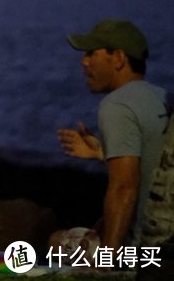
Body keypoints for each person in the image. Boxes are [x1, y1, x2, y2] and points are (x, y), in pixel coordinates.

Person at [55, 18, 169, 251]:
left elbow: (124, 189)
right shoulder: (162, 97)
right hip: (166, 239)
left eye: (91, 54)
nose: (83, 61)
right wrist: (100, 152)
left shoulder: (116, 105)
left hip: (141, 248)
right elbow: (151, 165)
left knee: (56, 240)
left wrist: (107, 264)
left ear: (118, 58)